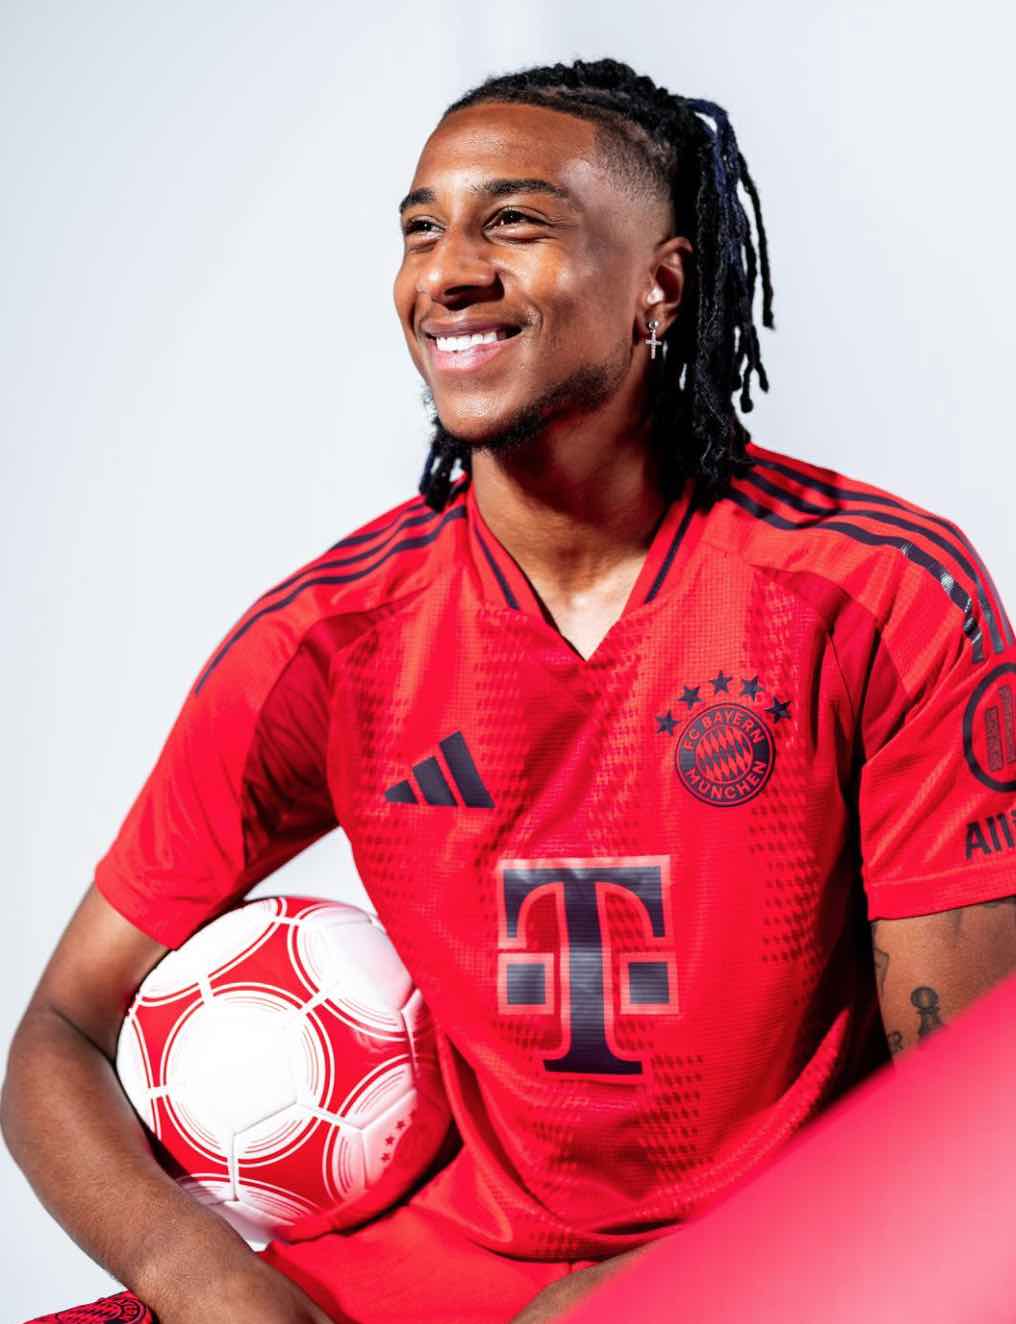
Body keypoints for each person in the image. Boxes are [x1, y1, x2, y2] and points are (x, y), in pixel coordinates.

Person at [4, 56, 1016, 1324]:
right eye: (420, 230)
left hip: (784, 1266)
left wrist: (664, 1290)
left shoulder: (875, 591)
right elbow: (60, 1031)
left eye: (514, 221)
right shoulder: (335, 637)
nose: (446, 271)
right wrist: (196, 1272)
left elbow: (969, 1134)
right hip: (428, 1272)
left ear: (660, 286)